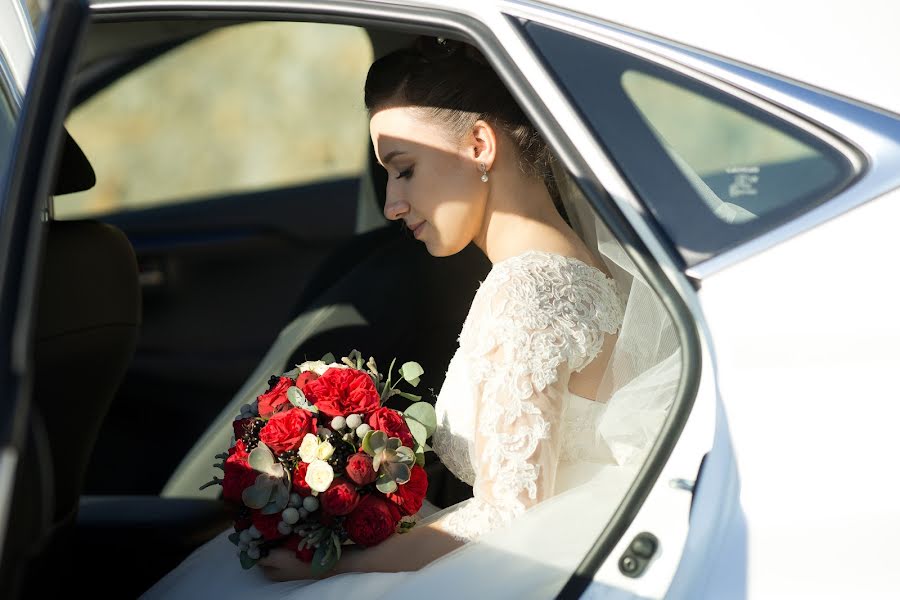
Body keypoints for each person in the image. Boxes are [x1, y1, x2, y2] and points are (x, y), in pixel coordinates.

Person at [141, 36, 637, 599]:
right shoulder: (583, 265)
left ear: (479, 145)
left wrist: (332, 565)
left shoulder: (526, 292)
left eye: (403, 170)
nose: (391, 205)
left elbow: (508, 517)